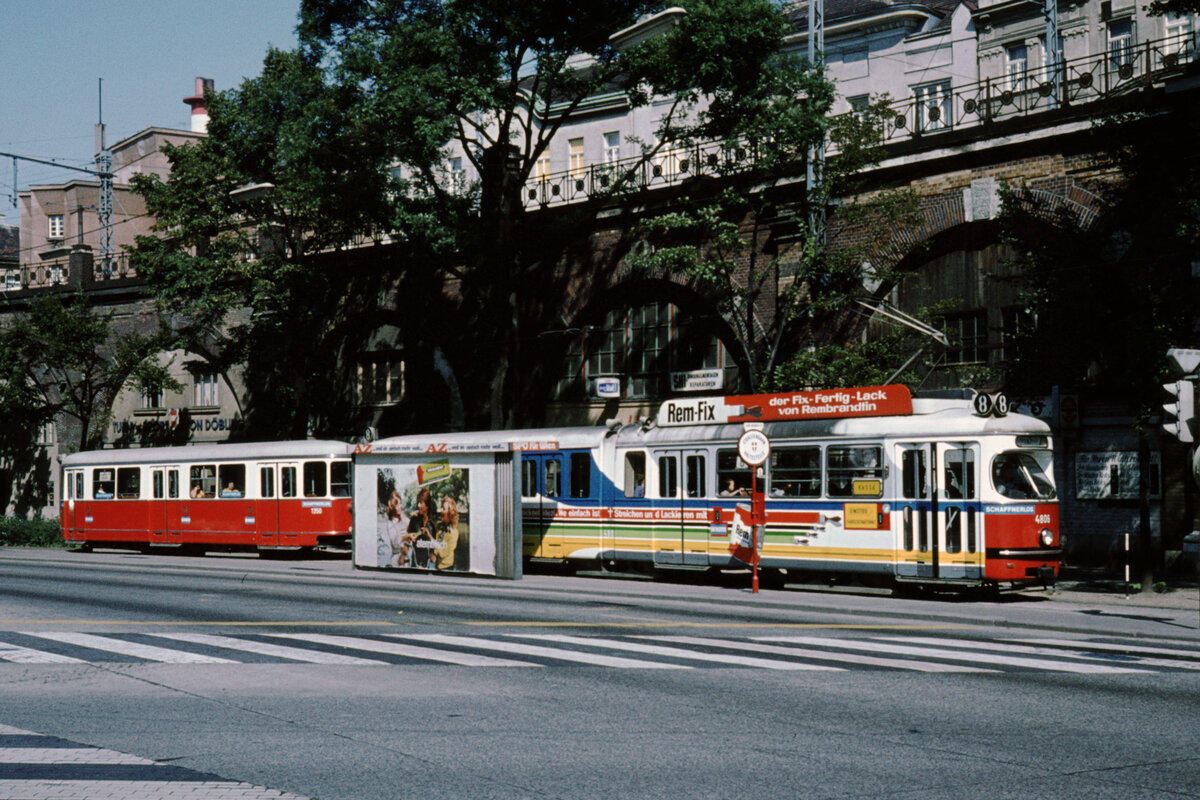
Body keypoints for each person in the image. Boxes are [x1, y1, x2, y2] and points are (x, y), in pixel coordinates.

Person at [407, 487, 434, 568]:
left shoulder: (432, 524)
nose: (418, 506)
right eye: (418, 503)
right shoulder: (414, 520)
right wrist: (415, 535)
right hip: (415, 563)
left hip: (428, 565)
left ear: (427, 505)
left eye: (421, 503)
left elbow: (435, 545)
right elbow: (409, 538)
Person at [433, 496, 461, 571]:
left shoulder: (454, 533)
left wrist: (435, 551)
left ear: (450, 514)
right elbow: (436, 541)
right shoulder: (439, 526)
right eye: (441, 507)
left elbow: (443, 554)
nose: (441, 510)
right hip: (436, 566)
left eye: (444, 509)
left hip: (447, 568)